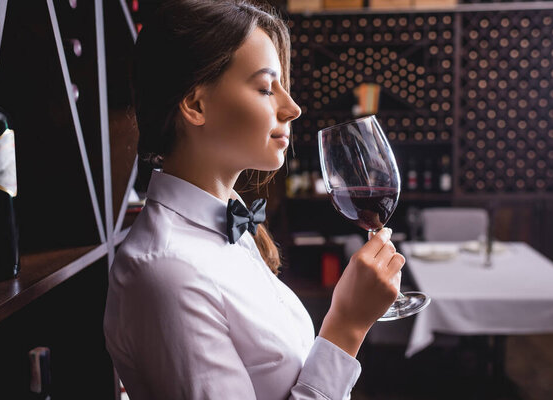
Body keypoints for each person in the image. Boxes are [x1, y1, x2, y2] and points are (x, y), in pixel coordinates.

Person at [103, 1, 405, 399]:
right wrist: (346, 325)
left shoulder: (227, 229)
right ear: (195, 105)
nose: (292, 108)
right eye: (265, 88)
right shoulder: (166, 273)